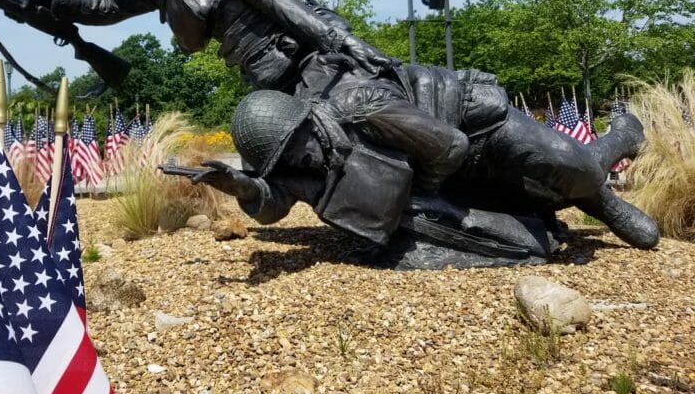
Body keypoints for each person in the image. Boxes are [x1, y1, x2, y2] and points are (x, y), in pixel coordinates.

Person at [24, 0, 469, 192]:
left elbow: (276, 0)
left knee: (361, 113)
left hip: (309, 61)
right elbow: (106, 7)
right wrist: (54, 1)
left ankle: (444, 167)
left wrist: (341, 43)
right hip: (269, 78)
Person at [189, 71, 659, 257]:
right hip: (447, 168)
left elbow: (450, 146)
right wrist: (241, 186)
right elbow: (277, 203)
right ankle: (588, 182)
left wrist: (431, 195)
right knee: (539, 200)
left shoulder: (360, 106)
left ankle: (614, 149)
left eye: (296, 147)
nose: (299, 161)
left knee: (571, 167)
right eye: (284, 160)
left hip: (476, 128)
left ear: (307, 119)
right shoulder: (305, 157)